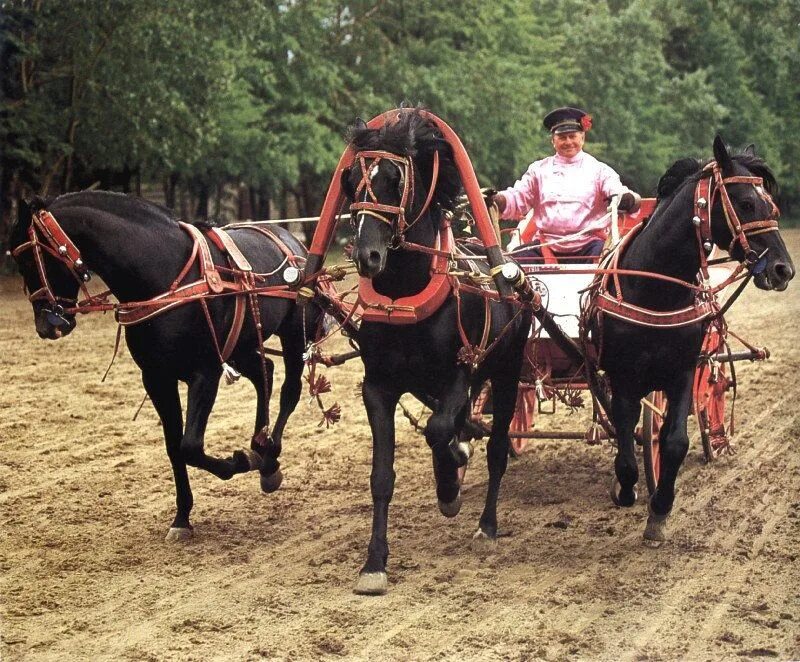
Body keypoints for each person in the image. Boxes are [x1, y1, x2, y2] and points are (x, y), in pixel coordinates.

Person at [490, 106, 640, 260]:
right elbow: (517, 198)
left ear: (582, 138)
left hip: (590, 246)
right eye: (562, 137)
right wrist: (496, 200)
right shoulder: (538, 171)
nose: (568, 142)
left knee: (609, 262)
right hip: (545, 246)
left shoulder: (600, 171)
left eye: (572, 136)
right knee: (510, 267)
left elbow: (619, 193)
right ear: (553, 141)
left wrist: (626, 199)